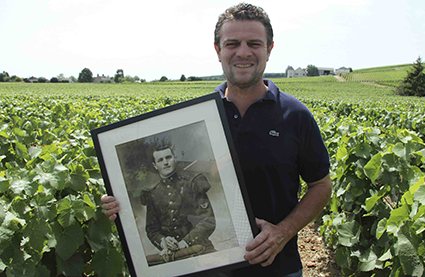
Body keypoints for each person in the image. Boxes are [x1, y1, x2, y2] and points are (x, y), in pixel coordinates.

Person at [102, 3, 332, 276]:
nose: (243, 52)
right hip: (206, 268)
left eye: (254, 43)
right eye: (232, 43)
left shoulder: (295, 116)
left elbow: (321, 185)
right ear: (218, 50)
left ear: (269, 49)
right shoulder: (196, 119)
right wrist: (121, 206)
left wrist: (283, 232)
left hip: (277, 268)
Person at [112, 138, 216, 264]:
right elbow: (152, 229)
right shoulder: (153, 194)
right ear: (155, 165)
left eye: (168, 157)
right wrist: (163, 241)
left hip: (201, 251)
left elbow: (208, 221)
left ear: (174, 158)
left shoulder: (193, 182)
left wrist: (185, 242)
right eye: (160, 160)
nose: (165, 162)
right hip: (172, 257)